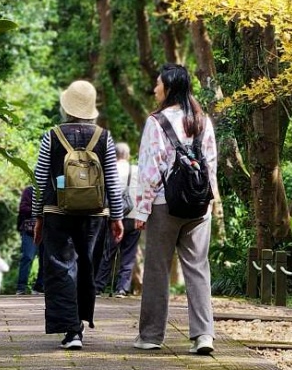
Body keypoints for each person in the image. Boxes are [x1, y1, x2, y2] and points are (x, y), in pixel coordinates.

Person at [132, 64, 219, 354]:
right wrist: (210, 199)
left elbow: (149, 169)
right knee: (198, 269)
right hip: (198, 205)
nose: (154, 89)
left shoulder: (156, 122)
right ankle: (203, 335)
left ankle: (151, 336)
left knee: (157, 269)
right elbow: (210, 163)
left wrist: (141, 211)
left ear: (168, 87)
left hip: (164, 204)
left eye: (158, 84)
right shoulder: (201, 120)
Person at [32, 79, 124, 350]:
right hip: (95, 214)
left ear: (67, 107)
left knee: (61, 266)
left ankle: (71, 331)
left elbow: (39, 177)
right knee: (87, 266)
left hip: (57, 211)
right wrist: (117, 217)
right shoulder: (103, 137)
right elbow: (111, 179)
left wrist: (38, 216)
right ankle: (79, 323)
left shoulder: (52, 134)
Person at [95, 142, 141, 297]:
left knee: (108, 253)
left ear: (114, 155)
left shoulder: (109, 170)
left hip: (113, 216)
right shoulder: (137, 170)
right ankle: (122, 288)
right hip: (134, 216)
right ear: (127, 155)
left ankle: (99, 287)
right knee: (128, 254)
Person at [15, 186, 45, 295]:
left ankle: (39, 287)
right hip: (29, 231)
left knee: (45, 260)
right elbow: (23, 208)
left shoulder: (52, 189)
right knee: (27, 257)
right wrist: (40, 210)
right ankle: (21, 288)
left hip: (47, 230)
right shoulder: (30, 191)